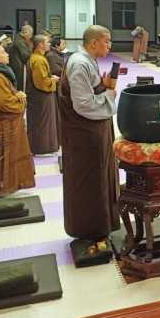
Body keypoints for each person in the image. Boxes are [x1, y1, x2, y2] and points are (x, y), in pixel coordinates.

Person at [59, 25, 119, 248]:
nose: (110, 46)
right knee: (89, 180)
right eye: (107, 41)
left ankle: (101, 224)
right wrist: (110, 94)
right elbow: (83, 105)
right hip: (85, 135)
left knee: (100, 177)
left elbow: (90, 91)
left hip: (93, 131)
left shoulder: (87, 60)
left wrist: (102, 85)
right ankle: (90, 228)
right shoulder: (80, 64)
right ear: (93, 43)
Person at [0, 44, 36, 200]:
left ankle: (7, 186)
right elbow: (4, 103)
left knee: (9, 156)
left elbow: (10, 92)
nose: (7, 54)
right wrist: (20, 100)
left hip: (6, 124)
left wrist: (17, 95)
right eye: (3, 52)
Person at [26, 35, 60, 155]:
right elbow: (41, 81)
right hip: (41, 95)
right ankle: (42, 148)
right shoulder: (39, 60)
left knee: (41, 121)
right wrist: (53, 80)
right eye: (47, 42)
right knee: (43, 122)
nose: (49, 44)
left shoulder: (37, 57)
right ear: (40, 44)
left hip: (39, 95)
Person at [8, 24, 33, 91]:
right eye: (31, 34)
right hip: (18, 67)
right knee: (20, 87)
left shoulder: (18, 38)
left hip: (15, 65)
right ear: (25, 32)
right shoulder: (20, 41)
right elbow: (26, 56)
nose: (31, 37)